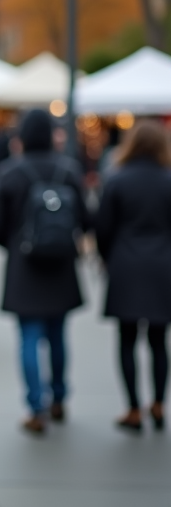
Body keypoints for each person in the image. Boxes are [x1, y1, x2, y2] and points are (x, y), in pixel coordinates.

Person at [0, 109, 88, 435]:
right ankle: (59, 396)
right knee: (58, 334)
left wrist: (17, 245)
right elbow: (85, 219)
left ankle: (36, 406)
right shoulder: (69, 171)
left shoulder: (9, 173)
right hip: (61, 264)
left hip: (24, 264)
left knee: (29, 337)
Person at [94, 120, 171, 433]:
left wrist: (106, 258)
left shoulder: (117, 179)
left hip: (126, 264)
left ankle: (133, 407)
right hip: (163, 265)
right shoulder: (169, 180)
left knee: (127, 340)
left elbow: (103, 227)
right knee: (158, 340)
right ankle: (158, 403)